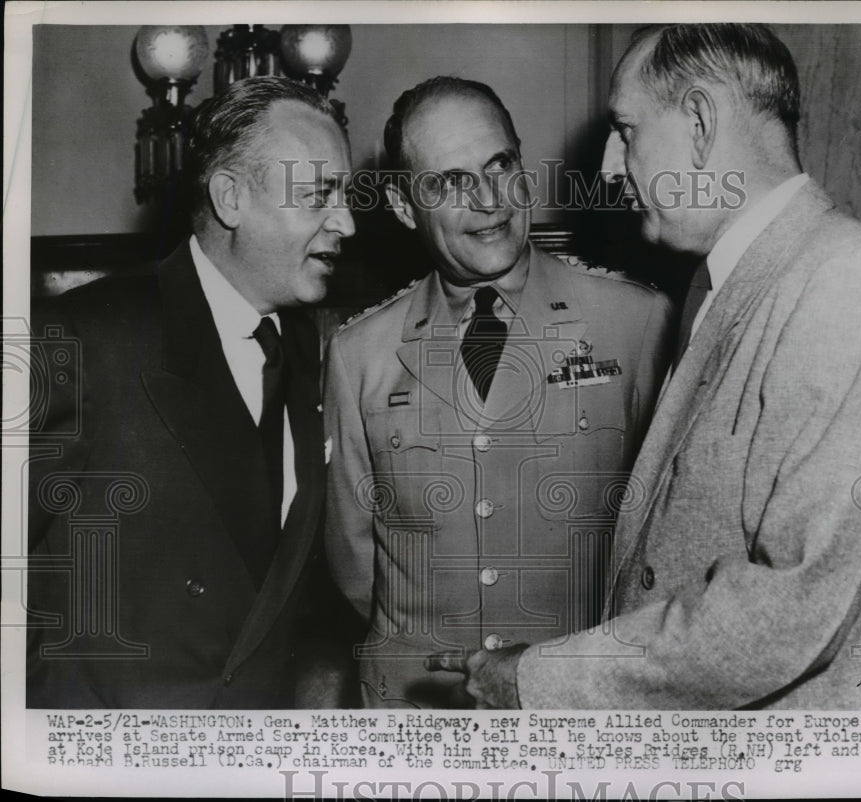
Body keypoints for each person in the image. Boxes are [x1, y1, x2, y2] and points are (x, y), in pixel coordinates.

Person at [443, 24, 861, 709]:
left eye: (626, 131)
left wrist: (536, 679)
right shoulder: (735, 285)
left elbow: (786, 609)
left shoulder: (849, 277)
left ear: (702, 123)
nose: (610, 169)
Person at [322, 76, 673, 708]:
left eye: (499, 165)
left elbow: (661, 545)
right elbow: (354, 567)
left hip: (575, 710)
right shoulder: (360, 355)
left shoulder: (636, 323)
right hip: (417, 716)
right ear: (405, 208)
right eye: (451, 182)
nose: (488, 200)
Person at [27, 76, 356, 708]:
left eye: (344, 196)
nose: (345, 221)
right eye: (319, 195)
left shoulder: (309, 349)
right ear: (231, 197)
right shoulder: (83, 339)